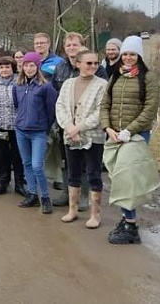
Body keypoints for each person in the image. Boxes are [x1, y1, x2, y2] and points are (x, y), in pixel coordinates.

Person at [101, 36, 160, 245]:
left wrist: (129, 130)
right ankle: (126, 219)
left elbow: (150, 109)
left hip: (135, 136)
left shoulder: (148, 77)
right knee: (118, 178)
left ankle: (131, 226)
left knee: (128, 180)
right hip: (115, 134)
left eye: (132, 54)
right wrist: (108, 128)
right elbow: (105, 103)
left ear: (139, 56)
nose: (127, 58)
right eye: (125, 54)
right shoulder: (116, 76)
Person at [55, 50, 107, 227]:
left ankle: (95, 214)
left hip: (93, 136)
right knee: (73, 173)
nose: (93, 66)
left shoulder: (102, 85)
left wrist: (79, 127)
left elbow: (100, 112)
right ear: (78, 64)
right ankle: (73, 210)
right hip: (70, 135)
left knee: (93, 174)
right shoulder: (68, 84)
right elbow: (60, 106)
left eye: (95, 63)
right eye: (89, 63)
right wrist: (69, 127)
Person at [13, 52, 58, 213]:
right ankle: (32, 194)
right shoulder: (17, 86)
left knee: (37, 166)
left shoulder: (45, 86)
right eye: (25, 65)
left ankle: (45, 197)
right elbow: (17, 105)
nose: (28, 68)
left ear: (37, 66)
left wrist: (44, 127)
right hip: (21, 130)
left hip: (38, 131)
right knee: (27, 164)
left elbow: (51, 110)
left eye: (32, 65)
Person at [0, 57, 27, 196]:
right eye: (1, 67)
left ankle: (20, 183)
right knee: (1, 156)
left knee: (18, 156)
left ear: (12, 68)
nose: (4, 70)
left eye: (7, 67)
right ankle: (3, 181)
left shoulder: (21, 83)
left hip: (17, 126)